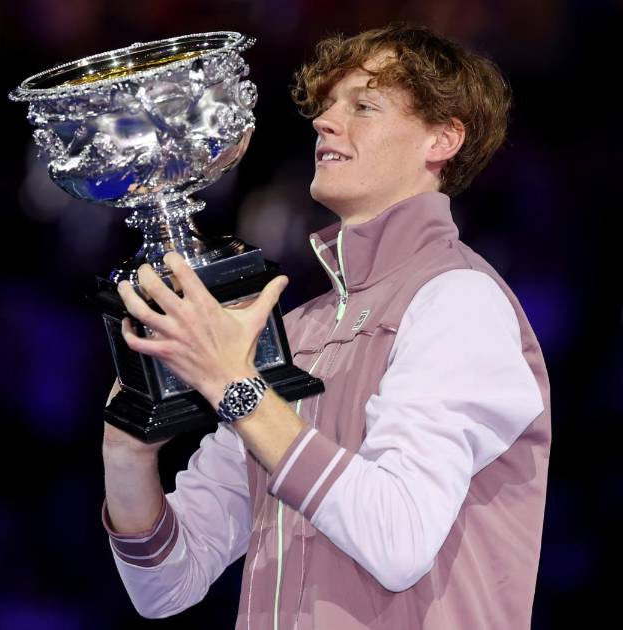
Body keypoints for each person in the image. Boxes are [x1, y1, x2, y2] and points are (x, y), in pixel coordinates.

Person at [100, 22, 550, 629]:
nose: (324, 121)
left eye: (363, 106)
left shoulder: (459, 300)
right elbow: (165, 586)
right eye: (328, 105)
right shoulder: (299, 330)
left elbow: (398, 539)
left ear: (442, 138)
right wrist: (127, 452)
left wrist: (236, 387)